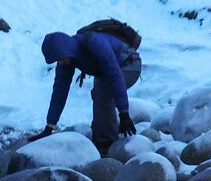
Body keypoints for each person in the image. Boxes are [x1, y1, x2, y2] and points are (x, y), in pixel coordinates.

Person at [40, 27, 141, 156]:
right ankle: (102, 133)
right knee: (100, 93)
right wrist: (50, 126)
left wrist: (124, 113)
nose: (60, 62)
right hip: (106, 71)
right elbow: (59, 91)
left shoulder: (94, 43)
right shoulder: (66, 60)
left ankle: (106, 146)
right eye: (57, 60)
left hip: (129, 64)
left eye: (59, 58)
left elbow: (114, 75)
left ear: (65, 49)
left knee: (102, 93)